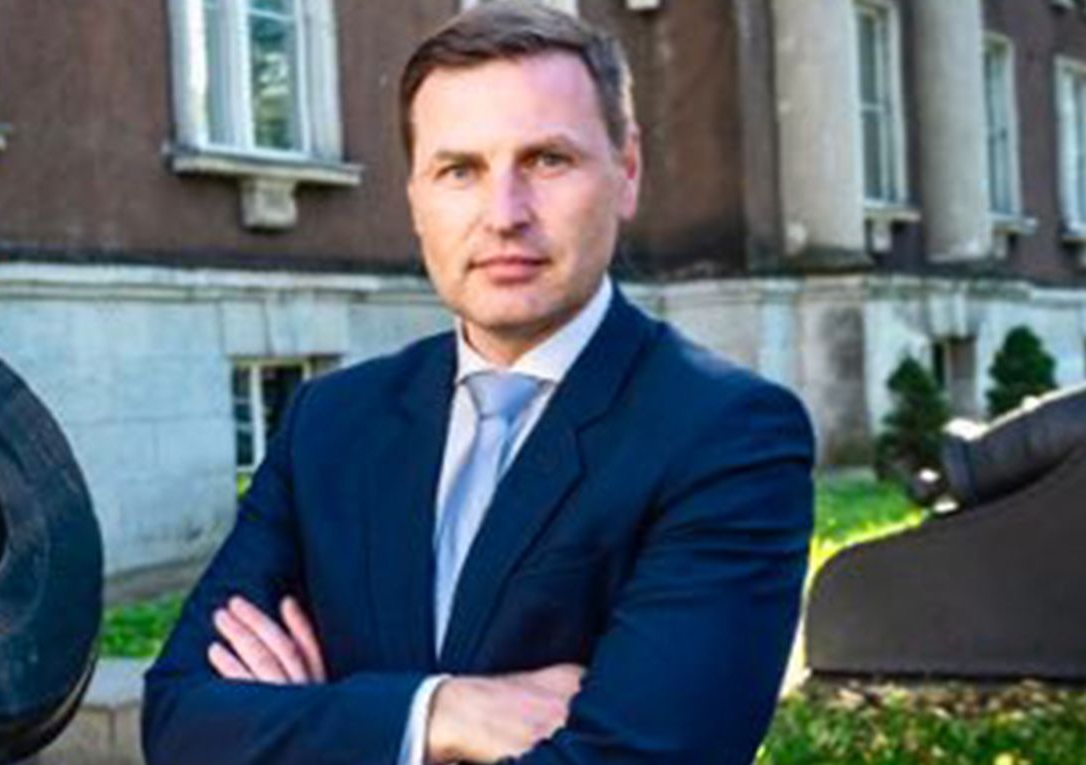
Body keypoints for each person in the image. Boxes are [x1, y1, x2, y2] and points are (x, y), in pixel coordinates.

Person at [142, 3, 814, 763]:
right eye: (459, 170)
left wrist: (315, 723)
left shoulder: (728, 435)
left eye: (547, 160)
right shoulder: (329, 420)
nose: (504, 214)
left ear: (626, 172)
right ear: (415, 196)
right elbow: (181, 723)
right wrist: (435, 712)